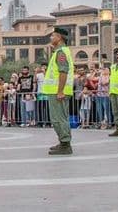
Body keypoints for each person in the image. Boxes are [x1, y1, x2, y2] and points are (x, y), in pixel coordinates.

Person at [43, 27, 74, 155]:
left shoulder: (61, 52)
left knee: (59, 118)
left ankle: (65, 144)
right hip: (56, 91)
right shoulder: (59, 52)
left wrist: (60, 91)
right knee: (60, 118)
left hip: (58, 92)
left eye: (53, 36)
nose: (51, 38)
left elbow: (63, 72)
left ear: (59, 37)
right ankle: (63, 142)